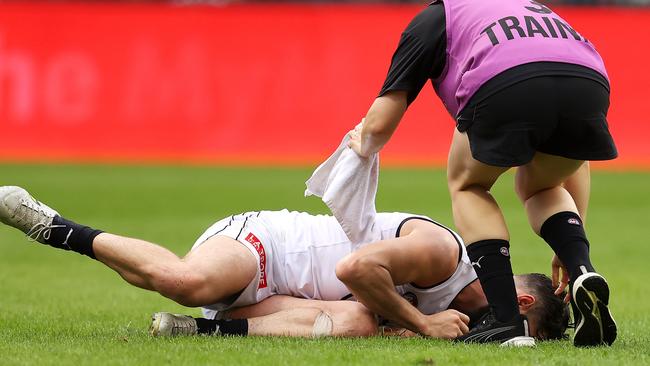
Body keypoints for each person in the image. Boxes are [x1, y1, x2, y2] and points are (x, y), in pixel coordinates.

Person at [347, 0, 617, 347]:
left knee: (469, 185)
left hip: (506, 80)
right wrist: (572, 247)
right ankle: (584, 272)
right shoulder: (533, 7)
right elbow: (577, 161)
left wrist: (361, 140)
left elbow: (380, 124)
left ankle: (506, 320)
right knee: (542, 185)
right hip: (589, 82)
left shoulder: (436, 16)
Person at [0, 186, 567, 341]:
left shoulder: (462, 311)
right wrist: (422, 324)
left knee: (359, 325)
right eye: (514, 331)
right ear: (518, 303)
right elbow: (354, 271)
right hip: (264, 245)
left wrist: (408, 327)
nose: (494, 340)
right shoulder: (446, 253)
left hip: (286, 302)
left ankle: (199, 335)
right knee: (185, 280)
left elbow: (360, 304)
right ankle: (54, 225)